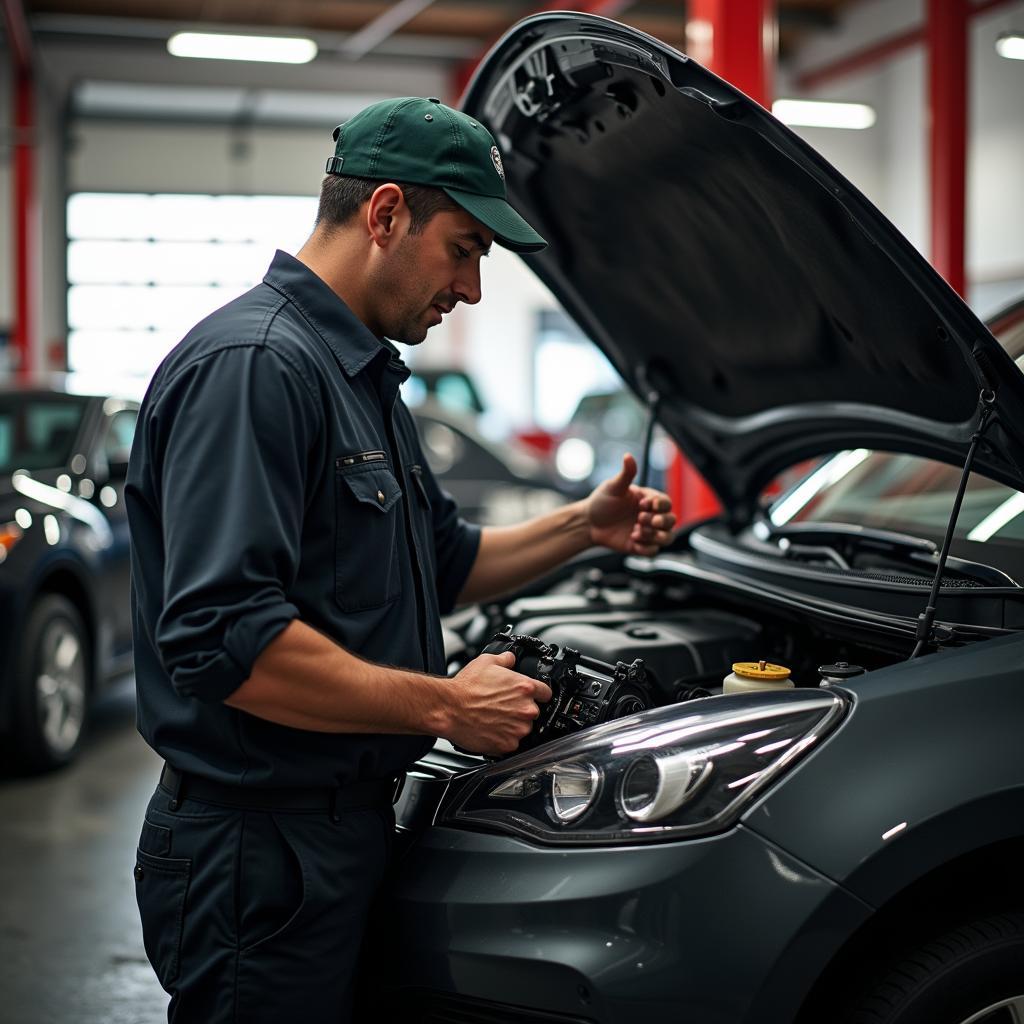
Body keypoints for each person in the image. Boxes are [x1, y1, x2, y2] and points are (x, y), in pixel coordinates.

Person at [126, 96, 677, 1024]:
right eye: (463, 248)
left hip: (337, 831)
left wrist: (585, 525)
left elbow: (445, 560)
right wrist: (447, 704)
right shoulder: (259, 367)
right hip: (258, 855)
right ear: (385, 215)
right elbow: (226, 641)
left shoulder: (359, 377)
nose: (469, 289)